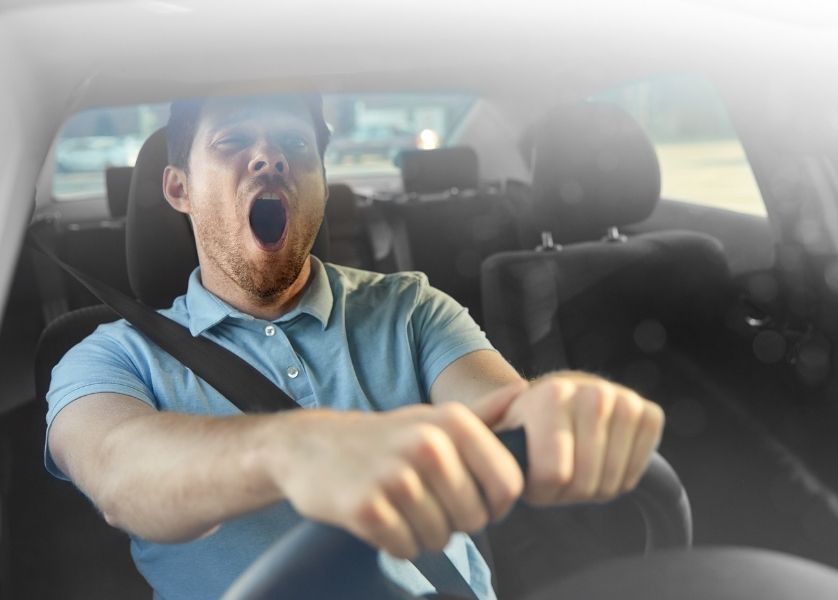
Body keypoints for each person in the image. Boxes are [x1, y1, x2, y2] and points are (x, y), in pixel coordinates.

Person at [44, 92, 665, 599]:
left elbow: (502, 408)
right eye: (233, 142)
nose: (269, 159)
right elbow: (121, 475)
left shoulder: (409, 308)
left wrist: (561, 411)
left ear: (319, 179)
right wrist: (294, 448)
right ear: (178, 189)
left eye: (294, 145)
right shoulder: (107, 355)